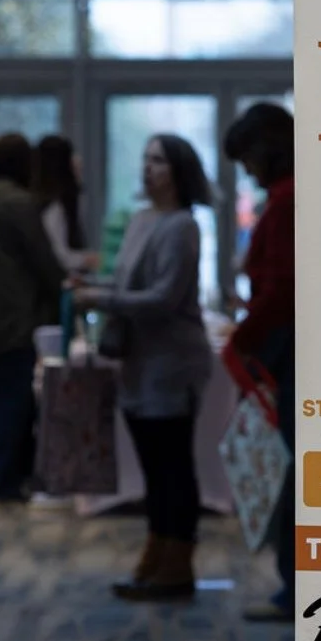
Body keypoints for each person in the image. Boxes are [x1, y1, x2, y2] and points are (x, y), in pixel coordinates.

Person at [75, 134, 213, 601]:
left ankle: (176, 561)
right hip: (138, 360)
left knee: (172, 464)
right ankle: (157, 553)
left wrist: (102, 298)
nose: (148, 168)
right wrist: (93, 286)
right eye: (145, 159)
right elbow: (125, 281)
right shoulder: (139, 220)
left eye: (158, 160)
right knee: (156, 466)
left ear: (179, 171)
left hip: (171, 364)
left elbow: (164, 299)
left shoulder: (181, 226)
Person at [222, 103, 296, 621]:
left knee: (295, 471)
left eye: (248, 157)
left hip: (286, 348)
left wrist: (242, 339)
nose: (248, 169)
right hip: (285, 343)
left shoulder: (288, 201)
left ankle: (295, 588)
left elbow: (280, 288)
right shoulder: (285, 199)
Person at [0, 133, 63, 503]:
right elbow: (43, 261)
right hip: (13, 316)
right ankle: (0, 479)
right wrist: (62, 298)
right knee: (11, 399)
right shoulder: (18, 204)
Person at [32, 134, 90, 274]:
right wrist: (87, 260)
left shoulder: (38, 200)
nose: (78, 160)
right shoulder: (54, 207)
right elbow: (58, 256)